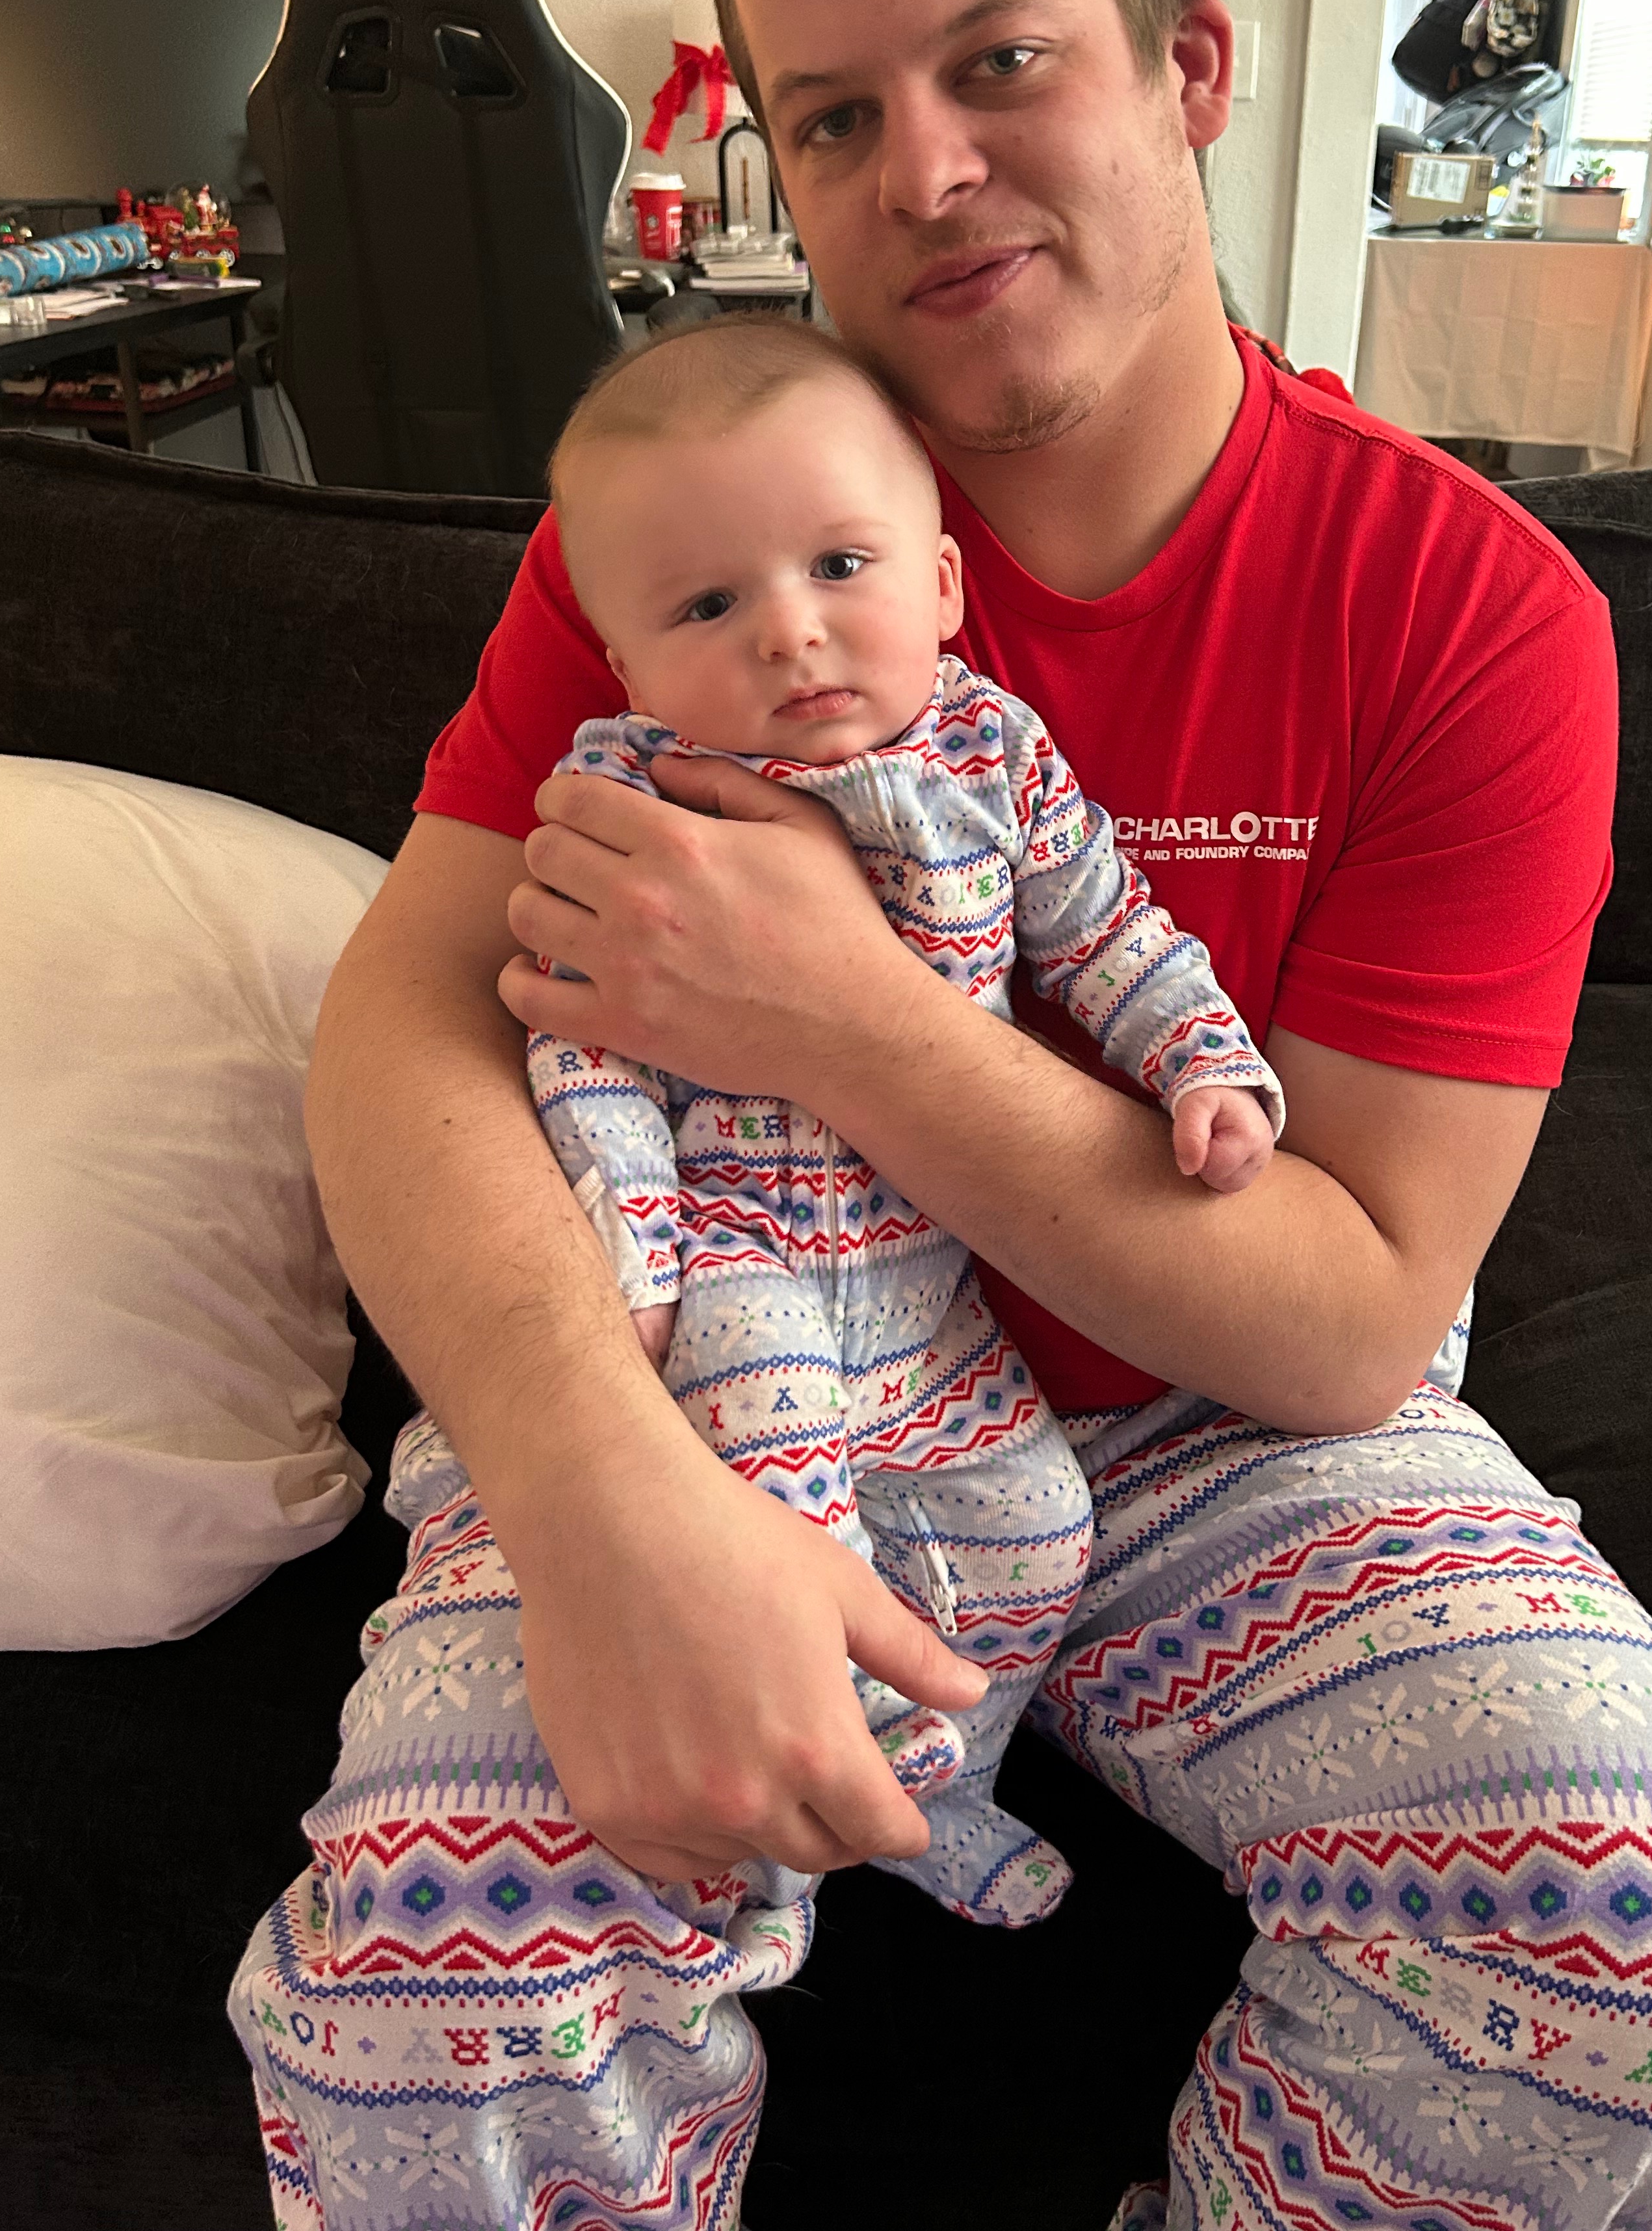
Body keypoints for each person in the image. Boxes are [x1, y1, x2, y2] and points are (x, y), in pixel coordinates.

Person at [233, 0, 1652, 2231]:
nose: (926, 173)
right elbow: (401, 1031)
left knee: (1642, 1932)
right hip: (728, 1374)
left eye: (999, 63)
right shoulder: (703, 525)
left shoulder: (1467, 609)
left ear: (1189, 68)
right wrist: (593, 1485)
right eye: (835, 116)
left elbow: (1343, 1318)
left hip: (1225, 1431)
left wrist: (841, 1020)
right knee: (440, 1975)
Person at [528, 315, 1281, 1925]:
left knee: (1037, 1529)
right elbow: (575, 1038)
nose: (791, 634)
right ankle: (781, 1848)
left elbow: (1109, 931)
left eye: (840, 567)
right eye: (711, 607)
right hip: (736, 1265)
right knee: (783, 1528)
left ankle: (938, 1798)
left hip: (935, 1272)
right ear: (629, 666)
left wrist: (1206, 1068)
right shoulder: (629, 799)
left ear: (941, 587)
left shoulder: (994, 755)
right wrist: (637, 1243)